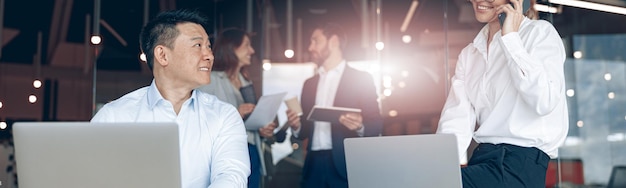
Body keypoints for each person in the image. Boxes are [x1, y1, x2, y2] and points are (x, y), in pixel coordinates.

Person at [91, 9, 250, 188]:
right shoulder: (114, 117)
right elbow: (93, 176)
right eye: (198, 46)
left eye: (208, 46)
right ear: (163, 55)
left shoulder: (224, 115)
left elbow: (231, 176)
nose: (209, 56)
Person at [436, 0, 568, 187]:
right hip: (482, 159)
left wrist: (511, 39)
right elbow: (455, 122)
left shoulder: (539, 33)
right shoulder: (470, 54)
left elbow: (544, 101)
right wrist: (436, 169)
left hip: (520, 164)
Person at [285, 23, 383, 188]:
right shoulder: (309, 84)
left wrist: (360, 126)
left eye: (316, 41)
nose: (310, 47)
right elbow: (304, 131)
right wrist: (296, 126)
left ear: (334, 41)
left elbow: (376, 124)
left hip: (345, 165)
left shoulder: (361, 79)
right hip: (312, 166)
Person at [197, 28, 286, 188]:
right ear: (231, 48)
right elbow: (199, 122)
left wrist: (262, 128)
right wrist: (236, 113)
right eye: (246, 45)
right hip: (226, 154)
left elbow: (249, 122)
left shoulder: (246, 82)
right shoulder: (210, 80)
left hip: (252, 151)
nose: (251, 51)